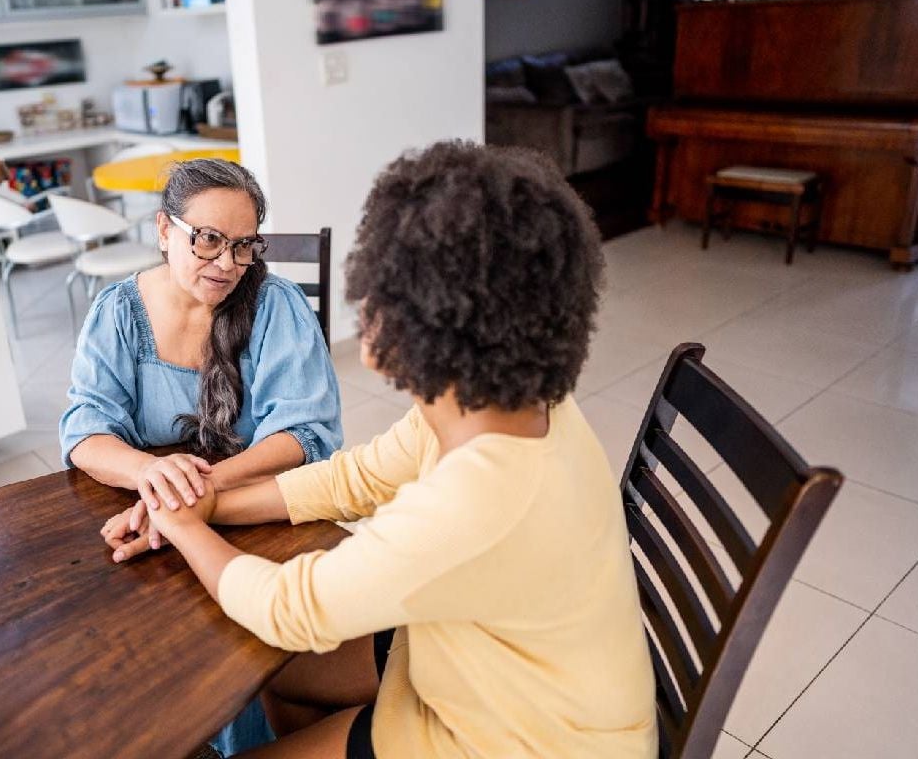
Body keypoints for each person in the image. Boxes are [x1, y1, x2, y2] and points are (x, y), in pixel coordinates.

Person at [101, 141, 657, 758]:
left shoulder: (474, 497)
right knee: (275, 676)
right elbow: (354, 478)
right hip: (477, 658)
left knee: (273, 653)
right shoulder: (498, 403)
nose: (361, 309)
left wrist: (179, 524)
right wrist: (205, 504)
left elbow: (291, 607)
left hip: (512, 737)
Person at [61, 158, 342, 755]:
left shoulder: (276, 306)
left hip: (254, 511)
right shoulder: (118, 312)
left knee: (236, 653)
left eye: (243, 247)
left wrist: (195, 488)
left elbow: (306, 434)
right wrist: (149, 471)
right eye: (208, 240)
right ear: (165, 230)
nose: (227, 265)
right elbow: (85, 430)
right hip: (157, 524)